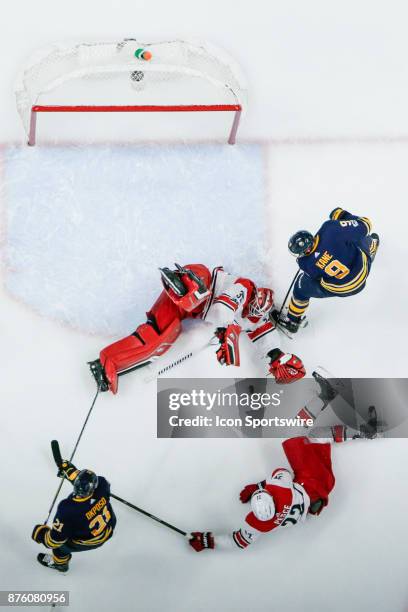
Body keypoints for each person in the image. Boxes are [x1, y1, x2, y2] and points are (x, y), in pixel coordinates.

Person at [89, 263, 306, 394]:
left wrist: (279, 357)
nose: (253, 312)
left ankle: (107, 362)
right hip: (200, 281)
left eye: (258, 313)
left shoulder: (255, 320)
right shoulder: (246, 288)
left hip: (185, 309)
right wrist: (227, 331)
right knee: (195, 293)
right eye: (254, 307)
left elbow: (267, 341)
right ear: (254, 298)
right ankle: (183, 282)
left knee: (158, 341)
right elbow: (222, 309)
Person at [188, 418, 382, 552]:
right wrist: (258, 486)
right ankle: (325, 398)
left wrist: (208, 541)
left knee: (317, 437)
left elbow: (238, 542)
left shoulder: (262, 525)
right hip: (312, 481)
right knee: (292, 433)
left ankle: (362, 432)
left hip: (319, 496)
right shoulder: (280, 491)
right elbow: (283, 473)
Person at [275, 208, 380, 334]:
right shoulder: (330, 229)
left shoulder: (304, 263)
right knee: (356, 237)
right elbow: (366, 224)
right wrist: (343, 216)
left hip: (342, 289)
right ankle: (372, 247)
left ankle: (292, 320)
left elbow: (316, 276)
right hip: (363, 269)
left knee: (301, 288)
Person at [32, 461, 116, 572]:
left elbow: (53, 541)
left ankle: (61, 565)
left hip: (90, 541)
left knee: (60, 547)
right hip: (109, 527)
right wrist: (72, 472)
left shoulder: (67, 510)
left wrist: (41, 534)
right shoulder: (103, 486)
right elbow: (98, 482)